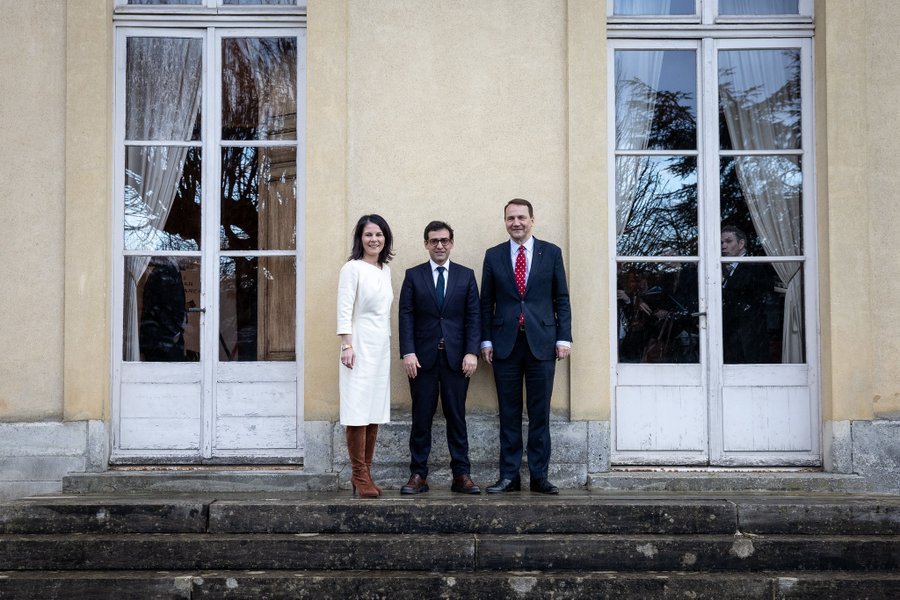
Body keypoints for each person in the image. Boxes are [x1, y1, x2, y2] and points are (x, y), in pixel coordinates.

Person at [480, 199, 572, 494]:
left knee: (539, 413)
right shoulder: (493, 256)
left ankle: (539, 477)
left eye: (521, 217)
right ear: (505, 221)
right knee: (508, 413)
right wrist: (486, 339)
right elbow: (485, 303)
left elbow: (562, 298)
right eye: (510, 218)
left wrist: (563, 337)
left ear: (532, 220)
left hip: (543, 344)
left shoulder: (551, 253)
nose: (516, 223)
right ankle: (509, 476)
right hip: (505, 345)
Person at [398, 221, 481, 495]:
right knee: (421, 418)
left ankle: (461, 474)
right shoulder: (413, 275)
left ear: (452, 243)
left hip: (458, 360)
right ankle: (418, 474)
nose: (440, 245)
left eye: (444, 240)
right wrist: (408, 352)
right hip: (421, 360)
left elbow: (473, 317)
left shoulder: (466, 276)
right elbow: (406, 316)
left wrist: (471, 351)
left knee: (457, 417)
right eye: (434, 241)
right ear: (426, 244)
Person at [337, 214, 395, 498]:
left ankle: (365, 473)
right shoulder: (352, 268)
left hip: (380, 347)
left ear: (386, 239)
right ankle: (359, 475)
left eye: (379, 235)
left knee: (373, 408)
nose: (374, 240)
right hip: (357, 346)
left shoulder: (385, 269)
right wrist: (346, 345)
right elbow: (344, 308)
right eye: (369, 235)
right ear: (360, 239)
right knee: (357, 409)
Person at [721, 225, 771, 363]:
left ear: (741, 243)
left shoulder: (753, 265)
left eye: (728, 241)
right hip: (733, 335)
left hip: (747, 335)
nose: (723, 246)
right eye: (721, 242)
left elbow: (749, 296)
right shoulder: (728, 268)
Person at [140, 257, 187, 362]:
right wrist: (174, 331)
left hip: (164, 335)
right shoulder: (165, 270)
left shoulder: (168, 268)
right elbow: (160, 305)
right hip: (162, 337)